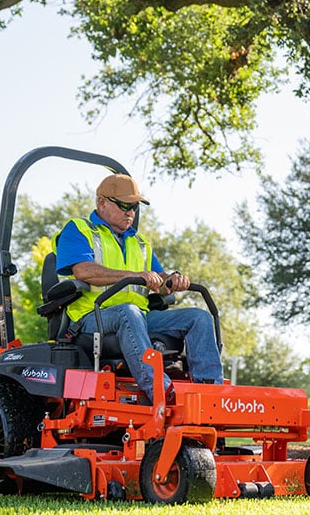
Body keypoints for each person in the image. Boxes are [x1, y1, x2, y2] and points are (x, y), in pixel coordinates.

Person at [53, 173, 223, 403]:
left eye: (134, 206)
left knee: (198, 317)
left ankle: (209, 393)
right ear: (102, 203)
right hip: (91, 318)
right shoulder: (80, 230)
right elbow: (84, 271)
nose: (130, 212)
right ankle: (160, 391)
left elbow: (160, 282)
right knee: (128, 312)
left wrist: (172, 280)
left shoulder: (139, 242)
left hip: (139, 317)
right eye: (124, 205)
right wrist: (134, 275)